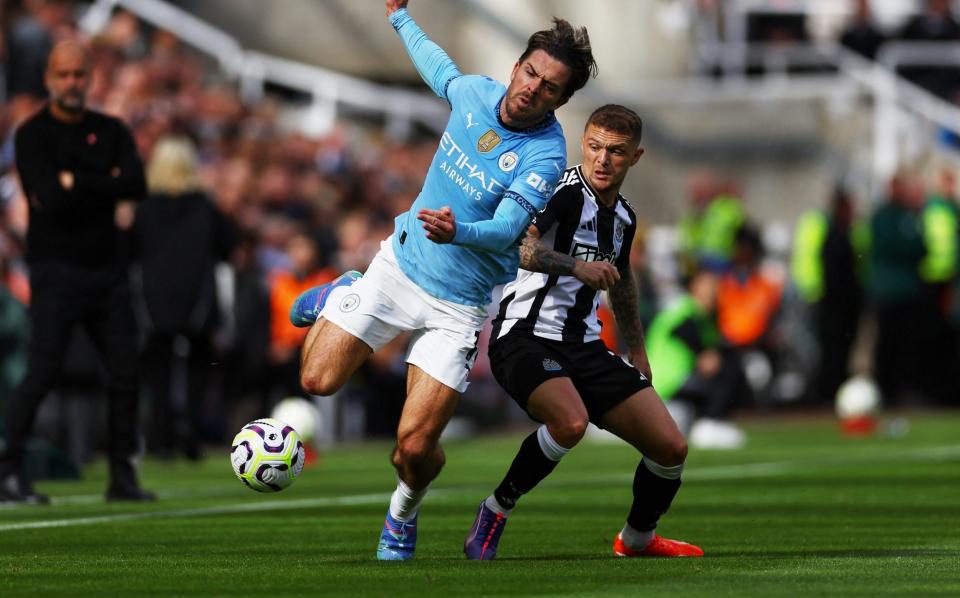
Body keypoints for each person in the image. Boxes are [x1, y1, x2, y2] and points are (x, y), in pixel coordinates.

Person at [289, 0, 596, 560]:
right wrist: (400, 17)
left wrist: (459, 232)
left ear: (561, 99)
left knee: (412, 446)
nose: (533, 88)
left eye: (550, 87)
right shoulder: (476, 94)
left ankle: (401, 515)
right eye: (530, 71)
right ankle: (344, 290)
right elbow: (440, 71)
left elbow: (507, 229)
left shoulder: (546, 154)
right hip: (396, 269)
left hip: (457, 306)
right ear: (516, 66)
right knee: (315, 381)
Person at [463, 105, 702, 560]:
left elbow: (623, 279)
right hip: (524, 337)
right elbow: (521, 245)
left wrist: (637, 350)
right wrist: (577, 266)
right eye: (594, 146)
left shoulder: (626, 218)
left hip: (585, 346)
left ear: (636, 156)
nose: (602, 159)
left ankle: (635, 540)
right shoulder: (563, 193)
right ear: (583, 145)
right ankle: (497, 507)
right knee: (570, 423)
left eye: (615, 151)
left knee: (671, 448)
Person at [0, 40, 154, 503]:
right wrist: (101, 182)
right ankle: (9, 471)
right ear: (48, 79)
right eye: (63, 75)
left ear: (90, 78)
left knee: (125, 373)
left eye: (79, 75)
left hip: (107, 270)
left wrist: (78, 179)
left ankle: (122, 476)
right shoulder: (32, 134)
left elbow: (135, 183)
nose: (72, 83)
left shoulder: (110, 129)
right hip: (56, 270)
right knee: (42, 371)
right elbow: (49, 195)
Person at [131, 135, 235, 460]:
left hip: (154, 299)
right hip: (197, 298)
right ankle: (189, 432)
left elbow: (130, 251)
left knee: (158, 371)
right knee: (196, 370)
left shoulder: (144, 208)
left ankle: (160, 438)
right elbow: (227, 246)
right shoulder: (204, 206)